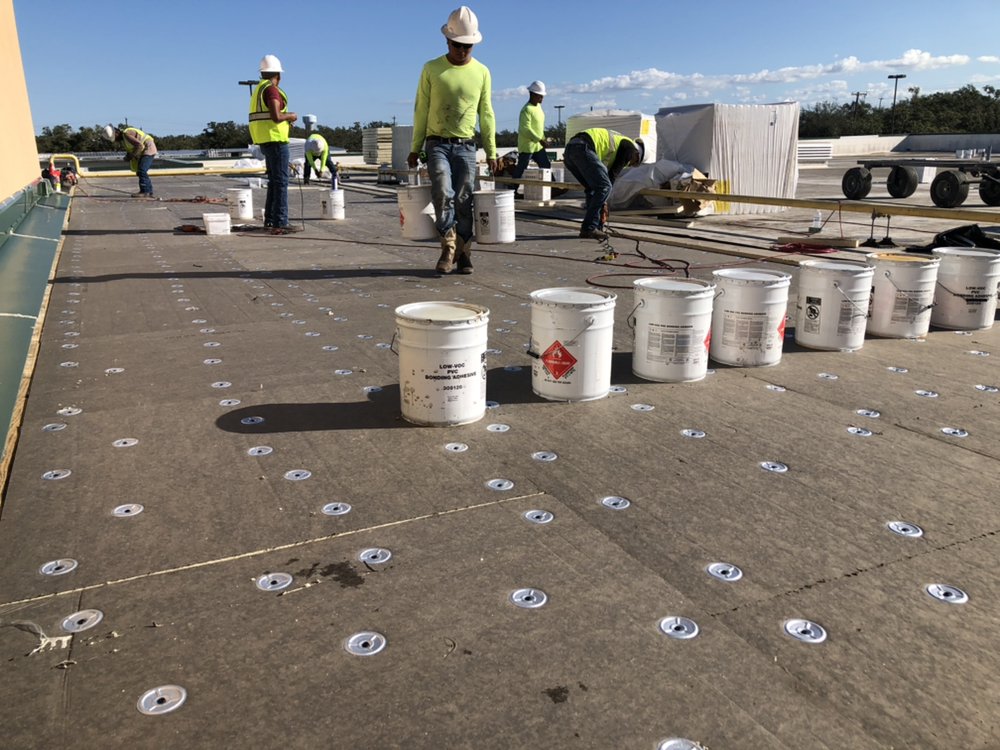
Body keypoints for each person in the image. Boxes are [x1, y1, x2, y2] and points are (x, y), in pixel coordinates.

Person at [408, 6, 497, 275]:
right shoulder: (431, 69)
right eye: (457, 45)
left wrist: (491, 151)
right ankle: (448, 247)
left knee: (463, 198)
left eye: (467, 46)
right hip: (437, 143)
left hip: (466, 145)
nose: (462, 51)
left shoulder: (482, 72)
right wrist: (415, 148)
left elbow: (486, 113)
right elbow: (421, 109)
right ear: (447, 41)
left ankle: (464, 251)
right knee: (443, 191)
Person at [562, 128, 644, 240]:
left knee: (592, 189)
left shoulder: (617, 145)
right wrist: (605, 201)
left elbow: (604, 176)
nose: (629, 164)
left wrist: (603, 200)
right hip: (583, 148)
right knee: (605, 187)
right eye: (633, 163)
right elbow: (612, 176)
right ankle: (589, 228)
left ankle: (594, 227)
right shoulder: (629, 148)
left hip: (571, 149)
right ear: (637, 154)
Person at [249, 54, 298, 230]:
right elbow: (276, 116)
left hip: (265, 140)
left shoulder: (259, 89)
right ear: (278, 74)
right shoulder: (271, 90)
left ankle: (270, 220)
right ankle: (281, 222)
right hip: (276, 141)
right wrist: (290, 116)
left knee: (274, 181)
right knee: (281, 182)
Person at [509, 80, 551, 192]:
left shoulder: (539, 107)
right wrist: (540, 140)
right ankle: (512, 190)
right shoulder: (526, 110)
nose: (542, 98)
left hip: (538, 146)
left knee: (546, 166)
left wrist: (543, 139)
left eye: (542, 96)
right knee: (522, 168)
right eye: (540, 96)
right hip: (527, 146)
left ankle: (551, 188)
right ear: (532, 94)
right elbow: (525, 129)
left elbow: (539, 127)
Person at [104, 124, 157, 198]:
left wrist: (131, 156)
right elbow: (132, 148)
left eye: (115, 138)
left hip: (148, 148)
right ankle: (148, 191)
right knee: (141, 171)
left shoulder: (127, 134)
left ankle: (145, 191)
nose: (116, 140)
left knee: (142, 170)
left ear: (117, 133)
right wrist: (129, 155)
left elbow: (139, 146)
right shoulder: (124, 139)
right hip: (145, 150)